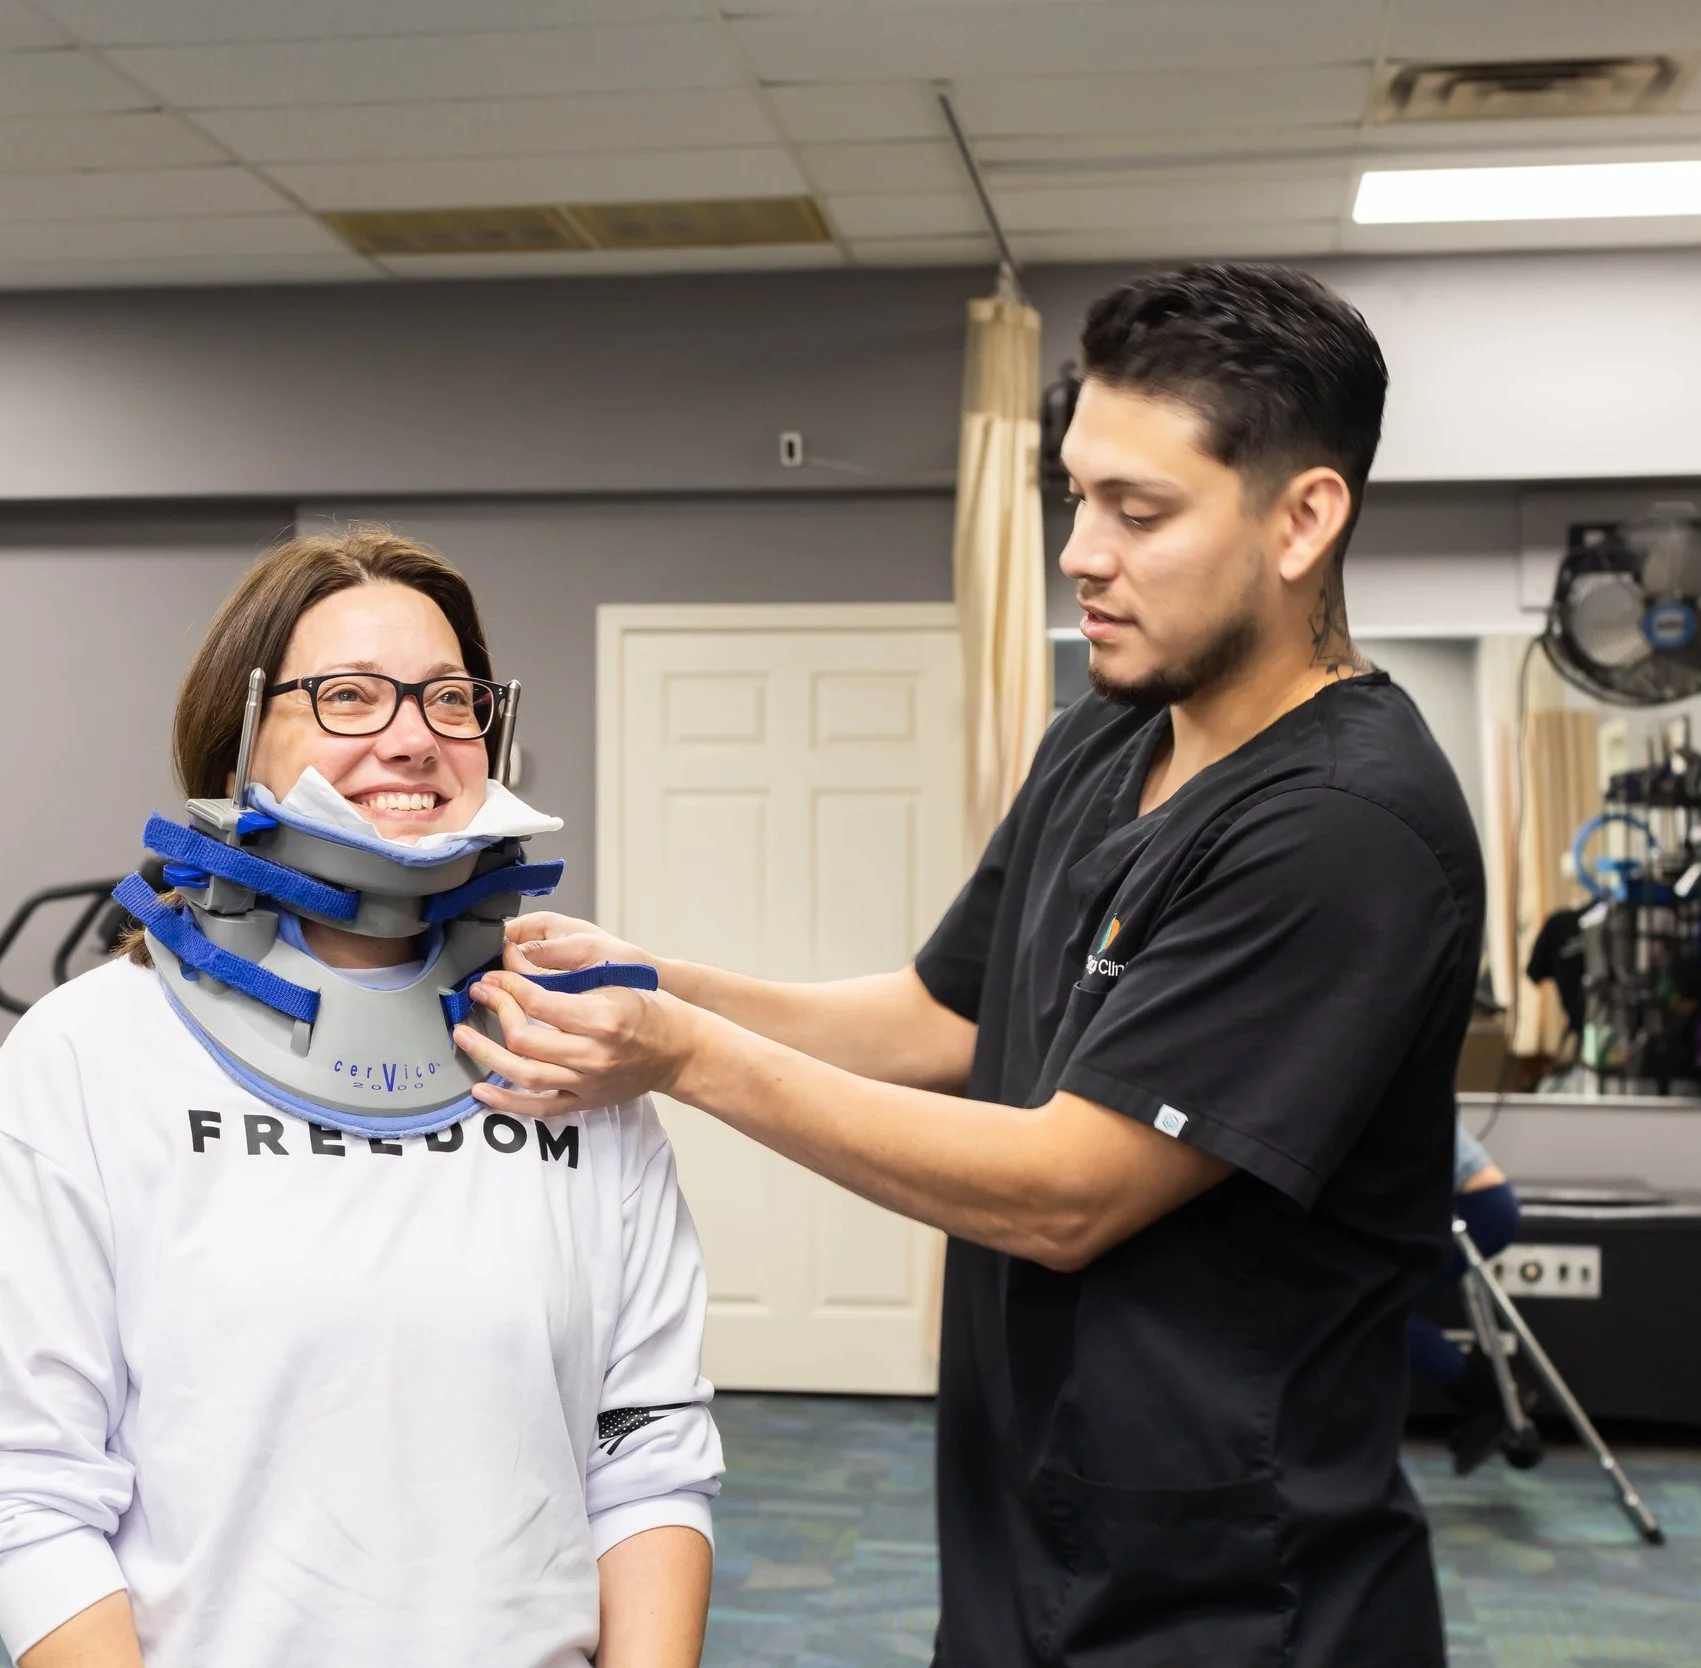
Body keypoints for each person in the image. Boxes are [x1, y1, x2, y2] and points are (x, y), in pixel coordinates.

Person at [454, 264, 1483, 1666]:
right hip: (1029, 1540)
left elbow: (1069, 1193)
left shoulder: (1344, 829)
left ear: (1304, 519)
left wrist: (685, 1056)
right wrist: (668, 983)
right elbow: (942, 1016)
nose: (1081, 552)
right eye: (1077, 496)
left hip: (1239, 1597)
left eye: (1142, 511)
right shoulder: (1108, 736)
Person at [0, 529, 721, 1668]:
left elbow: (646, 1450)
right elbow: (21, 1482)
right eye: (349, 696)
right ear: (238, 737)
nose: (411, 737)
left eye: (451, 700)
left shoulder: (573, 1063)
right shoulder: (87, 1059)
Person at [1407, 1122, 1531, 1472]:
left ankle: (1486, 1396)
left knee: (1375, 1310)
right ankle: (1486, 1392)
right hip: (1475, 1201)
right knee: (1374, 1309)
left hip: (1475, 1205)